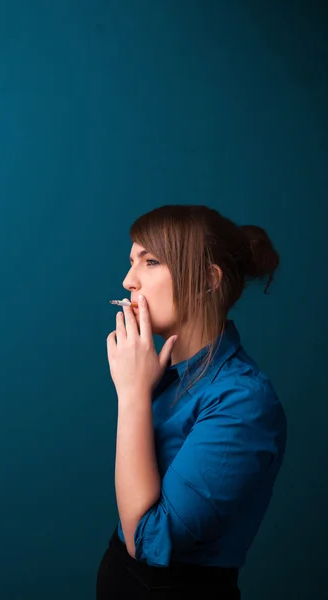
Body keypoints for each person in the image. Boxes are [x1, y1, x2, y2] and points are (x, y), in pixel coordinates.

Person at [96, 205, 287, 599]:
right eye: (132, 262)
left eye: (150, 261)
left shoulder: (242, 402)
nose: (128, 280)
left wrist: (131, 395)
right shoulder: (161, 376)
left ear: (206, 280)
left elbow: (148, 542)